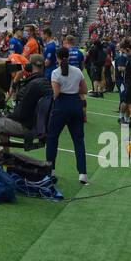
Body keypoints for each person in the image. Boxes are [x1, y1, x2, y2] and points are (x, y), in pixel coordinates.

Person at [0, 55, 49, 162]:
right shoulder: (44, 82)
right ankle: (6, 154)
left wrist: (9, 116)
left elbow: (22, 113)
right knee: (1, 121)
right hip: (38, 126)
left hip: (27, 127)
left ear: (29, 66)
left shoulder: (33, 85)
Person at [48, 47, 88, 184]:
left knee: (52, 138)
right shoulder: (77, 71)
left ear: (57, 57)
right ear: (69, 57)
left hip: (61, 105)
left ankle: (51, 170)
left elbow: (56, 93)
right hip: (76, 104)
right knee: (79, 140)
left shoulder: (55, 73)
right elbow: (84, 90)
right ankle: (83, 173)